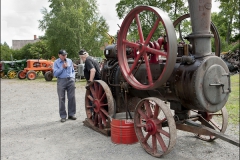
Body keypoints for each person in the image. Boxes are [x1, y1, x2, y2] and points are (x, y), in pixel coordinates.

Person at [53, 49, 77, 122]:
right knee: (61, 98)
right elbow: (55, 74)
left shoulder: (69, 60)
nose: (64, 56)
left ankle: (71, 114)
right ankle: (63, 116)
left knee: (72, 98)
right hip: (61, 81)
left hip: (70, 80)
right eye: (63, 55)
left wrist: (73, 77)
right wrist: (62, 67)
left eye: (65, 55)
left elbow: (72, 70)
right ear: (59, 55)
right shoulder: (56, 62)